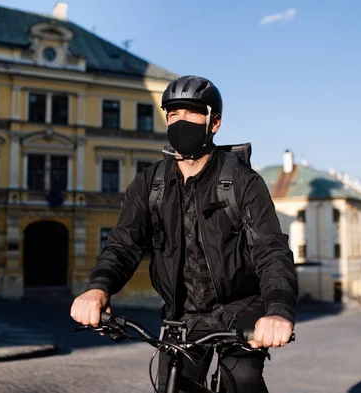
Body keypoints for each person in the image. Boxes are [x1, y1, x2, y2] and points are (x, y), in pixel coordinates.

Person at [70, 75, 298, 392]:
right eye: (173, 113)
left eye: (191, 112)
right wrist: (98, 289)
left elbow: (271, 252)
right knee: (173, 385)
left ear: (214, 122)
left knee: (241, 381)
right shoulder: (149, 184)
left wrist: (278, 312)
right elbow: (123, 246)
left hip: (243, 309)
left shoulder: (242, 182)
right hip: (183, 316)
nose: (181, 120)